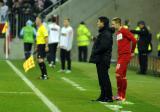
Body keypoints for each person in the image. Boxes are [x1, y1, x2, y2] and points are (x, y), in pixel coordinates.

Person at [111, 17, 137, 101]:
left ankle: (120, 95)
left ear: (118, 24)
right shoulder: (118, 32)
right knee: (123, 76)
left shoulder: (124, 30)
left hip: (125, 56)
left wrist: (132, 51)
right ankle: (122, 96)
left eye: (113, 24)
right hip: (121, 55)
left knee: (118, 74)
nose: (112, 26)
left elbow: (134, 40)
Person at [89, 16, 113, 102]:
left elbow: (104, 46)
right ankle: (103, 96)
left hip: (103, 59)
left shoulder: (106, 33)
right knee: (101, 79)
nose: (97, 23)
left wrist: (95, 51)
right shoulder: (104, 32)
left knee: (104, 78)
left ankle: (109, 97)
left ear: (103, 23)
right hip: (100, 58)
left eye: (98, 22)